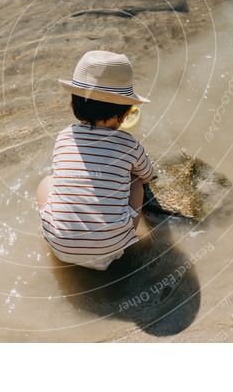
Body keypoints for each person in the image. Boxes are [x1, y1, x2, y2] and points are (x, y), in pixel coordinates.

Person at [36, 50, 155, 271]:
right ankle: (113, 240)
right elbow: (147, 175)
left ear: (74, 105)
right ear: (125, 113)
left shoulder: (64, 137)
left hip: (61, 247)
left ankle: (61, 235)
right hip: (114, 247)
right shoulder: (128, 144)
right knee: (136, 181)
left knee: (47, 181)